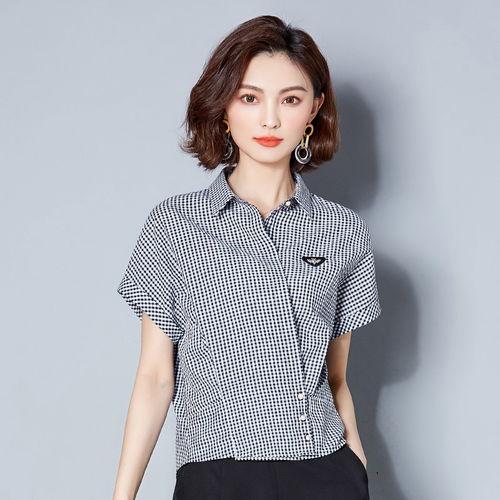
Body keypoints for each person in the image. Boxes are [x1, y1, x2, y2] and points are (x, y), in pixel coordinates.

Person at [113, 15, 382, 500]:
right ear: (223, 107)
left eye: (290, 99)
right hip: (217, 475)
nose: (270, 120)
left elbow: (336, 378)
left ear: (314, 109)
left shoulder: (343, 231)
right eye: (250, 98)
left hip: (325, 472)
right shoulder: (175, 223)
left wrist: (356, 466)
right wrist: (122, 496)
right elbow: (154, 378)